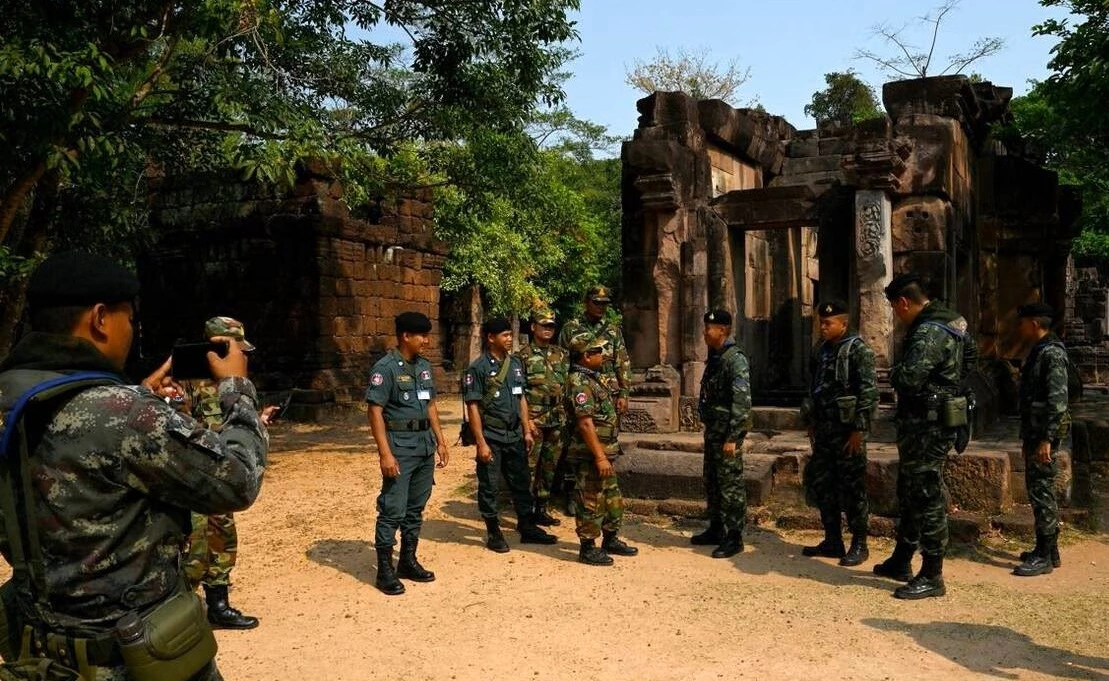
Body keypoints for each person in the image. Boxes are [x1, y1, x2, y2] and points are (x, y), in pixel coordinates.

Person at [0, 250, 266, 680]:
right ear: (101, 318)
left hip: (39, 655)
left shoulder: (11, 399)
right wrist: (238, 387)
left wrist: (138, 395)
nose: (133, 330)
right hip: (137, 657)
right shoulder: (125, 415)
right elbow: (238, 480)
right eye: (131, 318)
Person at [873, 273, 977, 600]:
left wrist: (895, 373)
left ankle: (932, 574)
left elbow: (908, 378)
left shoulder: (929, 330)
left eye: (894, 309)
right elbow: (971, 357)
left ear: (904, 302)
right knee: (910, 489)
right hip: (930, 419)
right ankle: (902, 559)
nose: (896, 315)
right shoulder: (953, 321)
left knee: (926, 493)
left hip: (927, 424)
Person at [178, 317, 262, 629]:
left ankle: (219, 604)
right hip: (192, 479)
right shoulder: (186, 382)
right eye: (238, 347)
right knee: (193, 545)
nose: (243, 356)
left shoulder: (232, 383)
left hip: (221, 475)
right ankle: (181, 613)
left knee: (223, 539)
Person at [365, 312, 451, 595]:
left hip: (424, 447)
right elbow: (375, 411)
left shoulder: (424, 367)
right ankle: (384, 570)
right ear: (405, 336)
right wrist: (385, 454)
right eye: (422, 335)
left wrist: (440, 441)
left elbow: (430, 406)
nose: (427, 340)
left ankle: (407, 560)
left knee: (415, 508)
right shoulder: (386, 368)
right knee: (392, 509)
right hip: (400, 449)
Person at [464, 318, 557, 552]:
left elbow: (521, 398)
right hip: (491, 435)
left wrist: (526, 429)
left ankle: (526, 526)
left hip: (514, 434)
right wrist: (481, 442)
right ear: (491, 338)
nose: (509, 339)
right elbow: (473, 407)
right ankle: (493, 531)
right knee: (490, 485)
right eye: (504, 335)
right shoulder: (478, 368)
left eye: (509, 335)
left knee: (521, 481)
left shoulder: (514, 364)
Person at [800, 300, 878, 567]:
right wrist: (810, 419)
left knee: (853, 487)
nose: (823, 327)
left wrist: (859, 429)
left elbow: (868, 393)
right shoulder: (819, 351)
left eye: (828, 323)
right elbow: (814, 386)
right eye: (821, 322)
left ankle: (860, 543)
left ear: (843, 324)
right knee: (824, 485)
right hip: (824, 431)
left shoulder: (858, 351)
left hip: (847, 433)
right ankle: (833, 539)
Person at [564, 337, 637, 565]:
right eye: (598, 351)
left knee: (611, 497)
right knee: (590, 499)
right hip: (590, 455)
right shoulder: (579, 382)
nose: (604, 354)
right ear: (586, 356)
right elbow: (585, 423)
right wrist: (600, 456)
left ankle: (611, 538)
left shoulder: (595, 378)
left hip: (606, 452)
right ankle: (587, 547)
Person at [1012, 303, 1070, 577]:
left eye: (1022, 322)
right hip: (1035, 431)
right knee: (1039, 490)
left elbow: (1058, 400)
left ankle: (1045, 555)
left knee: (1042, 491)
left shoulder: (1051, 353)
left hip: (1043, 435)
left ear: (1034, 323)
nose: (1019, 328)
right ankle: (1048, 549)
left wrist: (1047, 438)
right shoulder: (1039, 351)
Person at [693, 310, 751, 559]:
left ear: (723, 330)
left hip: (726, 434)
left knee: (731, 485)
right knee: (713, 481)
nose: (705, 332)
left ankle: (734, 536)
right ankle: (716, 529)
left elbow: (742, 401)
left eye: (710, 328)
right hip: (714, 432)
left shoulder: (734, 360)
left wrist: (734, 437)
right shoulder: (716, 357)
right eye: (705, 327)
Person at [517, 304, 569, 526]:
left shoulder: (562, 354)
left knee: (550, 466)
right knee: (529, 467)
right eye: (544, 325)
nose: (548, 329)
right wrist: (526, 422)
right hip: (534, 418)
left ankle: (542, 507)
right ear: (532, 327)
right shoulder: (522, 357)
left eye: (551, 326)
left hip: (557, 418)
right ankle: (525, 512)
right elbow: (518, 393)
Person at [558, 285, 631, 414]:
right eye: (596, 302)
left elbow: (622, 363)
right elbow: (562, 363)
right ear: (586, 302)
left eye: (604, 303)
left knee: (608, 430)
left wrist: (623, 394)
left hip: (608, 391)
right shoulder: (570, 329)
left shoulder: (613, 331)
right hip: (579, 387)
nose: (601, 307)